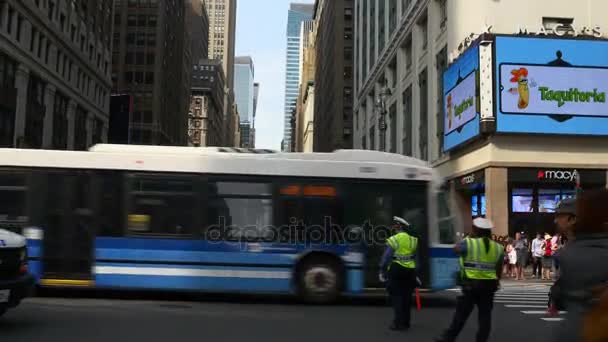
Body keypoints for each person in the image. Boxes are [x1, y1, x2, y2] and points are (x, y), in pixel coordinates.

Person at [549, 190, 608, 342]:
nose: (555, 221)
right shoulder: (569, 249)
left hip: (583, 330)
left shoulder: (571, 252)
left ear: (572, 219)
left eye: (559, 216)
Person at [435, 218, 504, 342]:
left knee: (461, 315)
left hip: (471, 285)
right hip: (489, 286)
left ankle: (448, 338)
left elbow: (455, 249)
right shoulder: (498, 247)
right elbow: (498, 268)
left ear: (475, 230)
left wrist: (468, 237)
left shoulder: (469, 243)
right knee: (485, 317)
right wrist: (497, 281)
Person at [379, 216, 418, 331]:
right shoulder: (413, 240)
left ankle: (397, 323)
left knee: (397, 297)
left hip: (396, 270)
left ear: (399, 226)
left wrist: (382, 270)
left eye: (395, 225)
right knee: (407, 297)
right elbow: (416, 258)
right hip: (410, 271)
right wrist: (416, 272)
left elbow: (386, 257)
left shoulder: (394, 239)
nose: (394, 227)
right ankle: (406, 322)